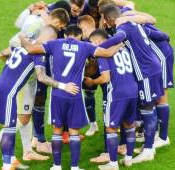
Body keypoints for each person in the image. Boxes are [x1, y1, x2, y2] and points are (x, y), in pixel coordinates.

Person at [20, 24, 122, 170]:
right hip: (75, 94)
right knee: (74, 131)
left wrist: (22, 38)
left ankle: (56, 166)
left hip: (58, 94)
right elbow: (107, 53)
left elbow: (30, 49)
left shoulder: (55, 44)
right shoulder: (85, 46)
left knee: (57, 130)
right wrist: (120, 44)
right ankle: (74, 167)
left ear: (66, 35)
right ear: (80, 35)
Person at [0, 25, 79, 170]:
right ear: (50, 38)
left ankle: (11, 160)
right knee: (9, 128)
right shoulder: (38, 53)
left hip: (1, 86)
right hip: (8, 92)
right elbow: (42, 77)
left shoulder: (23, 44)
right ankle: (7, 165)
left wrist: (13, 73)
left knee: (10, 125)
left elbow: (3, 54)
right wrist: (64, 86)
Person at [102, 4, 164, 164]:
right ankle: (149, 146)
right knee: (148, 107)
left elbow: (118, 37)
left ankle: (149, 149)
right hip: (150, 68)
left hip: (146, 72)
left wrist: (96, 48)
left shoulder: (123, 27)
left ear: (108, 19)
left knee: (147, 109)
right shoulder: (130, 22)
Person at [86, 29, 138, 169]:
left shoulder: (103, 53)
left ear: (98, 41)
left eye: (91, 42)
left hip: (117, 93)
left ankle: (113, 163)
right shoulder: (123, 49)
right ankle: (128, 159)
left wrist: (92, 82)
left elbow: (106, 78)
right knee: (129, 125)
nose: (91, 45)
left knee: (111, 128)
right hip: (133, 90)